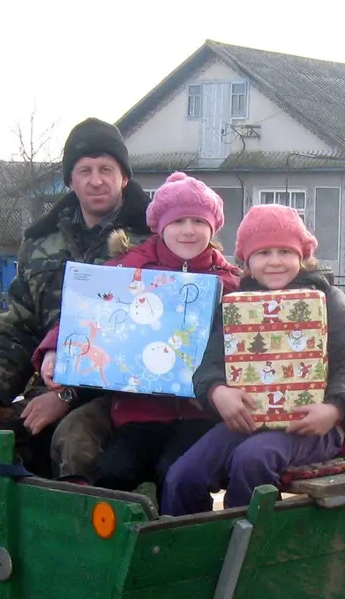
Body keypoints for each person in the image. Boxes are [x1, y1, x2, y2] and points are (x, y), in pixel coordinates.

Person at [0, 118, 151, 465]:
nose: (96, 180)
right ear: (70, 179)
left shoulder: (154, 241)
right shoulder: (41, 244)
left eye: (106, 169)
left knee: (74, 442)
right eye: (84, 170)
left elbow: (146, 342)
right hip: (46, 392)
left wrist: (69, 396)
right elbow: (18, 330)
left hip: (123, 401)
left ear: (124, 176)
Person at [30, 172, 242, 493]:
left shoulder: (229, 282)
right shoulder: (127, 271)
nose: (188, 230)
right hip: (137, 410)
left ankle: (178, 534)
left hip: (202, 412)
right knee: (115, 471)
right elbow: (84, 310)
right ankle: (115, 538)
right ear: (159, 226)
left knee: (175, 471)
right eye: (178, 221)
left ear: (213, 228)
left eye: (198, 221)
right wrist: (54, 349)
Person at [161, 205, 345, 515]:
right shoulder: (235, 305)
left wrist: (334, 408)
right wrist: (217, 391)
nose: (275, 261)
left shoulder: (328, 298)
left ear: (301, 256)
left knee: (253, 459)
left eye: (285, 251)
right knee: (182, 475)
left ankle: (245, 547)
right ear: (247, 262)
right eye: (263, 253)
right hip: (249, 420)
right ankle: (184, 543)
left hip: (313, 426)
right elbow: (209, 363)